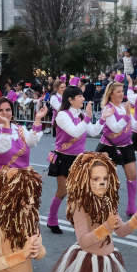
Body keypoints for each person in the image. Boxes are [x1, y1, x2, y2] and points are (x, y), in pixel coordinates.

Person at [45, 84, 103, 234]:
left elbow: (93, 131)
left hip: (79, 159)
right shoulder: (62, 115)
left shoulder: (81, 114)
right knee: (62, 191)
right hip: (64, 158)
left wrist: (103, 119)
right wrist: (88, 117)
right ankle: (51, 219)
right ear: (70, 100)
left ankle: (78, 221)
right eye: (80, 96)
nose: (83, 99)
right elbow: (75, 131)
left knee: (80, 193)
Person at [98, 76, 137, 217]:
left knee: (132, 176)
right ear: (111, 94)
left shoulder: (124, 107)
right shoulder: (108, 109)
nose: (122, 93)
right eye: (118, 91)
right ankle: (102, 208)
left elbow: (134, 126)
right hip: (109, 147)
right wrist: (126, 115)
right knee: (105, 180)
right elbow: (115, 128)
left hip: (126, 146)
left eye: (122, 90)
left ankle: (131, 208)